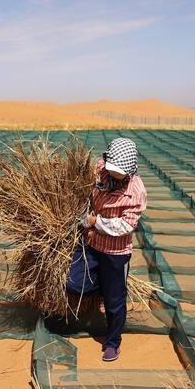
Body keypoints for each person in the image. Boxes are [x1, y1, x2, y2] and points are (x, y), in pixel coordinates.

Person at [67, 137, 147, 362]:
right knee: (74, 282)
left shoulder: (136, 191)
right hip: (91, 244)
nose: (113, 174)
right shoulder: (102, 169)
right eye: (111, 168)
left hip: (115, 254)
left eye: (118, 171)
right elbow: (87, 180)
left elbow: (125, 226)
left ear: (130, 167)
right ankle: (103, 289)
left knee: (114, 301)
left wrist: (94, 222)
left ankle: (113, 342)